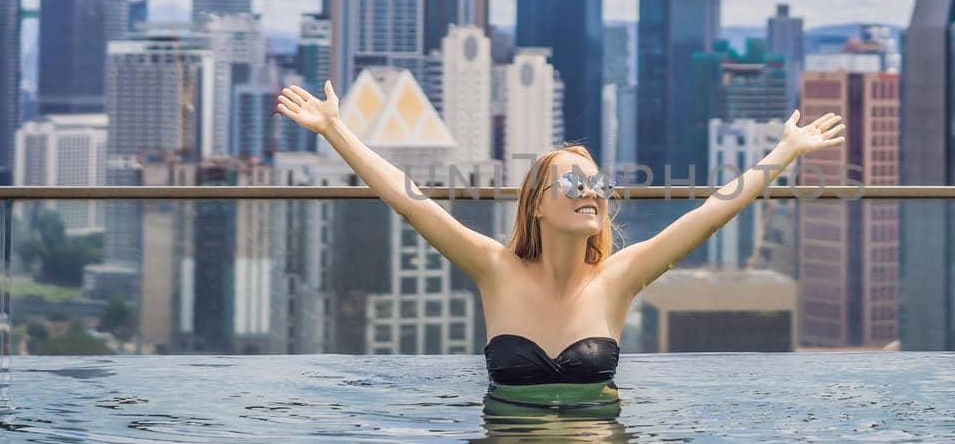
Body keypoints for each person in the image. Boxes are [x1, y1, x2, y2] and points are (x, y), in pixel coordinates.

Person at [275, 81, 844, 403]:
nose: (589, 192)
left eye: (596, 182)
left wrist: (786, 152)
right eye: (572, 182)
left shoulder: (620, 277)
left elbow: (715, 211)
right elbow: (408, 199)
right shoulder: (494, 269)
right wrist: (335, 130)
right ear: (538, 206)